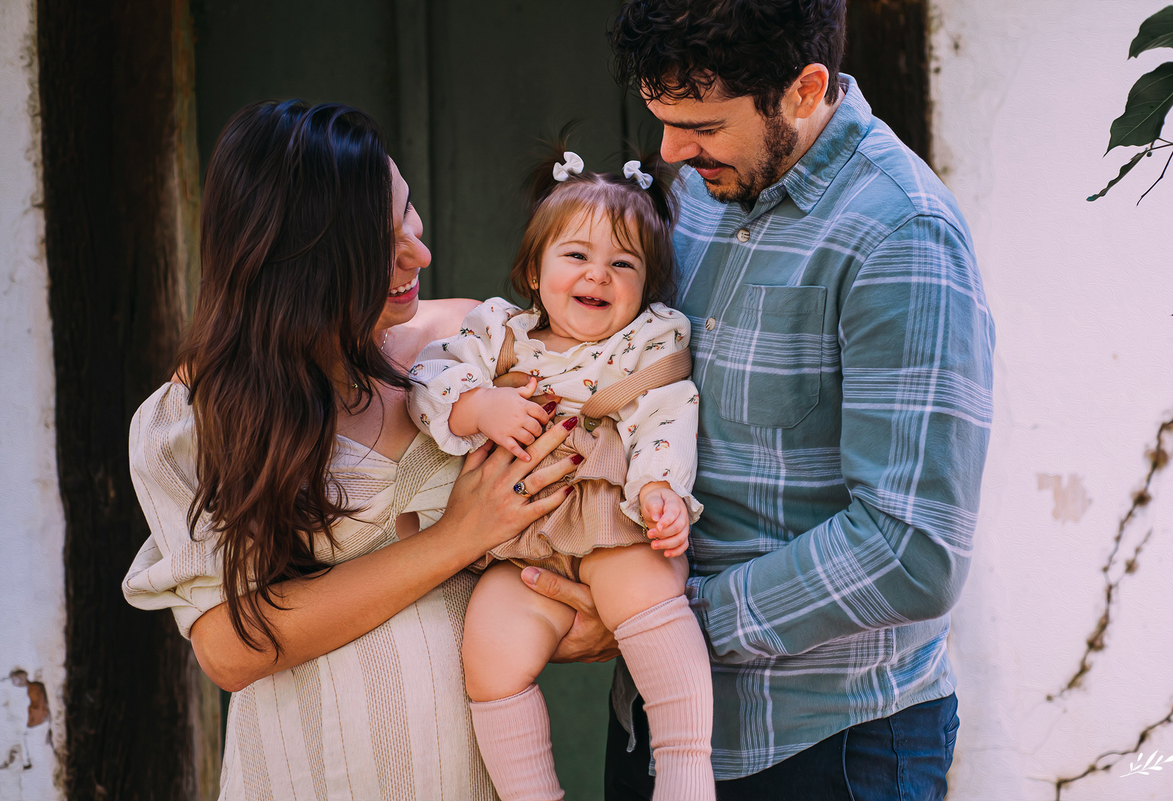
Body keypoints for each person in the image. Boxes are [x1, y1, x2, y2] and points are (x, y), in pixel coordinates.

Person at [544, 2, 992, 799]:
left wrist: (663, 622)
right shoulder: (697, 187)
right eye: (663, 120)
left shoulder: (902, 233)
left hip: (826, 745)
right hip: (650, 724)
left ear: (804, 89)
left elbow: (911, 551)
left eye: (702, 127)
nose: (670, 152)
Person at [121, 100, 599, 801]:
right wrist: (455, 537)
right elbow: (229, 647)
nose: (418, 255)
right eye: (379, 242)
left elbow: (591, 507)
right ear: (296, 263)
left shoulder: (472, 349)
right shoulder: (199, 418)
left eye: (408, 215)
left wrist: (598, 612)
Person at [406, 148, 715, 801]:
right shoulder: (499, 334)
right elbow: (429, 378)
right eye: (576, 255)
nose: (598, 274)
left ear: (647, 285)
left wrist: (659, 489)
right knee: (490, 651)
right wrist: (479, 406)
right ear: (534, 269)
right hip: (518, 541)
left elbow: (666, 413)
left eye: (624, 264)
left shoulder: (644, 342)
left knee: (653, 605)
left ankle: (686, 772)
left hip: (612, 520)